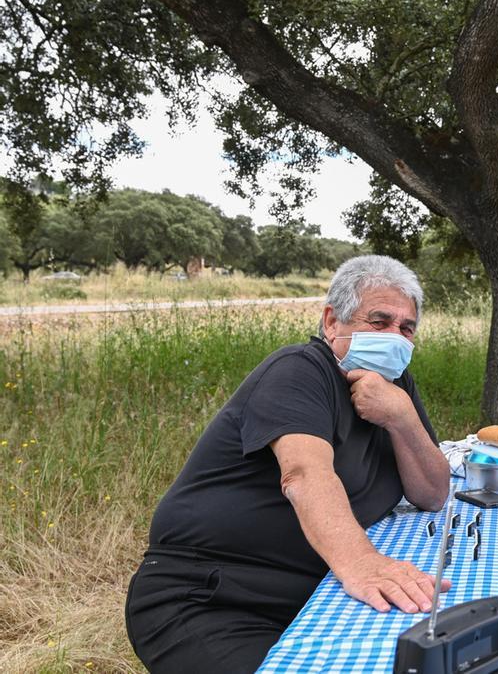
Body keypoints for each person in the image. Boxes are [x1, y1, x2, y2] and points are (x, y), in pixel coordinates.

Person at [125, 255, 452, 673]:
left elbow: (432, 492)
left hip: (311, 590)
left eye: (407, 328)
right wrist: (363, 563)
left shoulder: (396, 386)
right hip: (212, 595)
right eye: (380, 321)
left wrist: (401, 417)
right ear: (333, 322)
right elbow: (303, 473)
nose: (396, 337)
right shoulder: (298, 371)